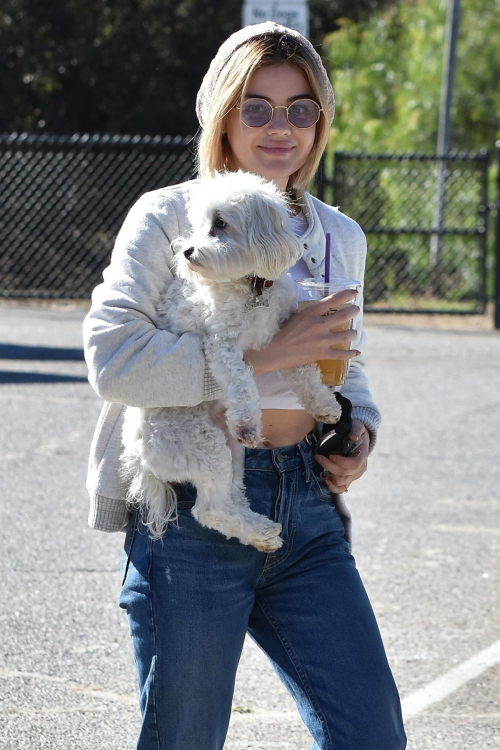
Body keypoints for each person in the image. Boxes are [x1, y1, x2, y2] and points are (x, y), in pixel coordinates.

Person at [83, 22, 406, 750]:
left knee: (372, 734)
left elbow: (343, 361)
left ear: (321, 121)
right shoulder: (171, 217)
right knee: (185, 739)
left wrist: (358, 431)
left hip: (308, 508)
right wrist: (263, 358)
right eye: (256, 106)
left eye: (300, 109)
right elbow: (111, 358)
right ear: (222, 114)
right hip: (197, 512)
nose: (280, 127)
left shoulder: (338, 234)